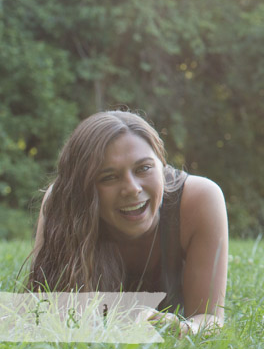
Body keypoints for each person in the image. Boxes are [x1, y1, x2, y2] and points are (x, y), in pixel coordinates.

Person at [28, 110, 228, 337]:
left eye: (144, 168)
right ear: (82, 190)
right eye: (109, 177)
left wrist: (184, 329)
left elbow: (209, 317)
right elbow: (43, 311)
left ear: (161, 164)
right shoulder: (62, 203)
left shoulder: (199, 199)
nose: (133, 188)